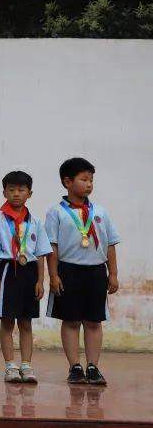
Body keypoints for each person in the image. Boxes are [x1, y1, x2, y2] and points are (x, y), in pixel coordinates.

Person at [47, 157, 121, 386]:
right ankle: (75, 367)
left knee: (93, 321)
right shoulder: (56, 213)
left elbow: (110, 244)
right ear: (67, 182)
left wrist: (113, 273)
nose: (89, 184)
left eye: (91, 180)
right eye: (84, 179)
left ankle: (93, 367)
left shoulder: (100, 211)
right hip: (68, 271)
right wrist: (53, 275)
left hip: (96, 271)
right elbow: (52, 247)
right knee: (70, 321)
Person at [0, 170, 52, 383]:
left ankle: (27, 365)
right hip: (7, 271)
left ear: (29, 193)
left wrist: (41, 280)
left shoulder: (36, 222)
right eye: (11, 190)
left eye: (21, 190)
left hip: (29, 271)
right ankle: (10, 365)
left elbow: (40, 254)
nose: (16, 194)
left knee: (26, 322)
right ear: (4, 192)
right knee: (7, 321)